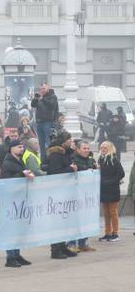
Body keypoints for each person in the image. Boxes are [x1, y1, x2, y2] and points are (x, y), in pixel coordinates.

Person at [0, 139, 35, 267]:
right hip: (11, 200)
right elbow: (7, 180)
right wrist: (21, 174)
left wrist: (28, 175)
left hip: (19, 199)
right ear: (12, 149)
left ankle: (17, 254)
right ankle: (10, 257)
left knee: (18, 229)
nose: (22, 149)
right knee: (11, 229)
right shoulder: (7, 163)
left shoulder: (19, 161)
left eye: (22, 147)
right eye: (19, 147)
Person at [45, 131, 79, 259]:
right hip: (56, 191)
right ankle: (55, 249)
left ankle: (63, 246)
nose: (71, 141)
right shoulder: (56, 154)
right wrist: (70, 169)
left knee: (64, 220)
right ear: (64, 140)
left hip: (65, 190)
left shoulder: (67, 153)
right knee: (57, 222)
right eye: (69, 139)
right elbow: (55, 172)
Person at [68, 140, 98, 253]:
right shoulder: (72, 159)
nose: (86, 150)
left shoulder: (91, 159)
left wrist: (96, 169)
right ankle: (71, 244)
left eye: (88, 148)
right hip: (75, 193)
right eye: (84, 148)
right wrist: (85, 170)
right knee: (74, 220)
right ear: (77, 149)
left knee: (86, 219)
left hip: (88, 194)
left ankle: (83, 243)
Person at [97, 141, 124, 242]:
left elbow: (121, 173)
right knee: (106, 213)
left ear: (110, 149)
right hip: (104, 189)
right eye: (101, 147)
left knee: (113, 212)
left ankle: (115, 233)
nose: (103, 149)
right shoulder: (100, 159)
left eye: (105, 148)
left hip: (112, 189)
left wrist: (111, 181)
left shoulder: (114, 159)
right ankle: (107, 233)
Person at [31, 83, 59, 156]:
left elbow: (52, 105)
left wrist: (42, 99)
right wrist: (35, 99)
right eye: (41, 89)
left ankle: (51, 157)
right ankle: (43, 159)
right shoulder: (40, 97)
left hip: (48, 122)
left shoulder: (52, 96)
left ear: (48, 88)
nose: (42, 90)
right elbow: (33, 105)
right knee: (41, 143)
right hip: (39, 122)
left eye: (44, 88)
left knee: (48, 141)